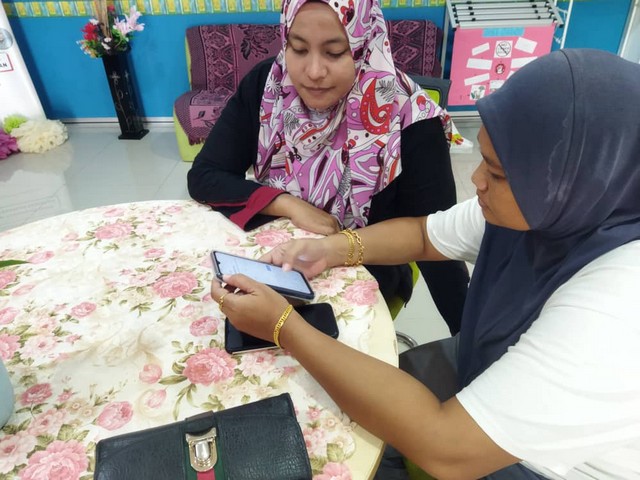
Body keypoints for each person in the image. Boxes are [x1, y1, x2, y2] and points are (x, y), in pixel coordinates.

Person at [211, 48, 640, 479]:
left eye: (496, 173)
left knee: (338, 446)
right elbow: (424, 235)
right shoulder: (561, 205)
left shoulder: (617, 307)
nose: (476, 180)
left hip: (539, 464)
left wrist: (284, 327)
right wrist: (332, 249)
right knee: (327, 405)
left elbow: (448, 449)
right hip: (481, 364)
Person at [187, 0, 469, 333]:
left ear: (366, 46)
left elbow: (438, 240)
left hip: (366, 266)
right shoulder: (268, 86)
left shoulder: (411, 121)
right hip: (278, 258)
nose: (314, 72)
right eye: (298, 49)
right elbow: (205, 175)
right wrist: (289, 204)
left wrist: (470, 341)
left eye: (334, 53)